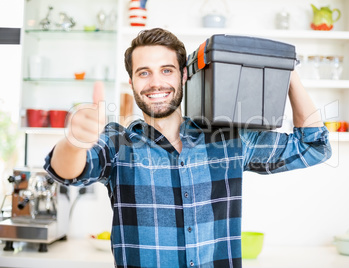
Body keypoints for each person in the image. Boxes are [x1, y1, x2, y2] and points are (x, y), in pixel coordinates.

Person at [44, 28, 331, 268]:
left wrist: (287, 67)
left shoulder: (229, 139)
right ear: (131, 82)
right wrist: (75, 141)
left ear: (183, 76)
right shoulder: (118, 144)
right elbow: (67, 172)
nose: (156, 82)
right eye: (144, 73)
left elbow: (315, 145)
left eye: (166, 70)